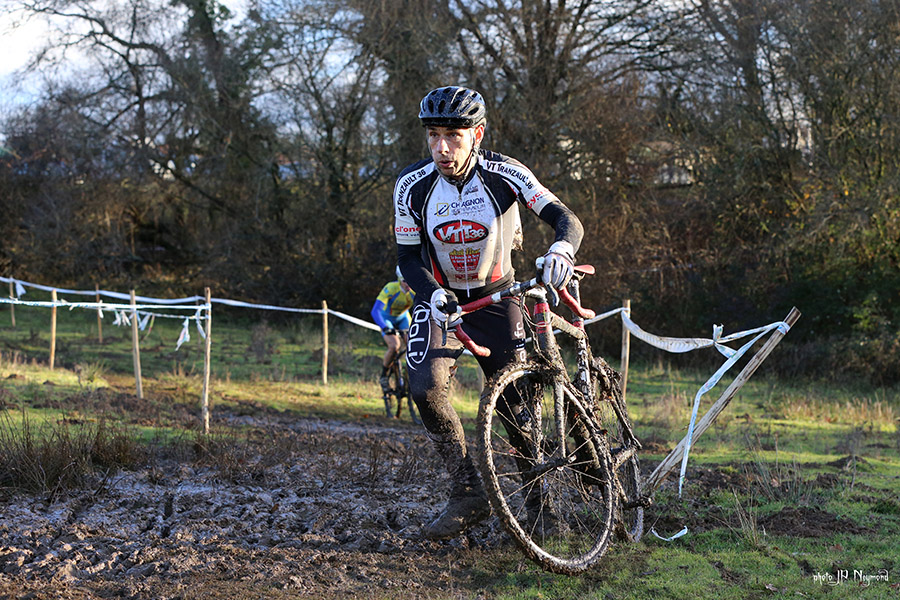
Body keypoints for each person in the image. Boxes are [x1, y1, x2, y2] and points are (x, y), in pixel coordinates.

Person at [393, 86, 584, 539]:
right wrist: (431, 292)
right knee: (424, 387)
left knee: (517, 407)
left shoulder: (505, 174)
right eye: (434, 135)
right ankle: (467, 492)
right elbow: (407, 258)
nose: (442, 148)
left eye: (453, 136)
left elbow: (566, 219)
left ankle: (540, 505)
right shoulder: (411, 185)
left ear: (476, 135)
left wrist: (562, 248)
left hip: (498, 298)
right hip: (441, 301)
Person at [370, 266, 415, 395]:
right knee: (395, 345)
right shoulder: (391, 288)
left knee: (413, 345)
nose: (408, 285)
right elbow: (375, 311)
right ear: (400, 280)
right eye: (405, 281)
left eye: (410, 281)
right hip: (386, 318)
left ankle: (412, 374)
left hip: (403, 318)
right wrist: (385, 327)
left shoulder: (414, 291)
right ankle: (384, 376)